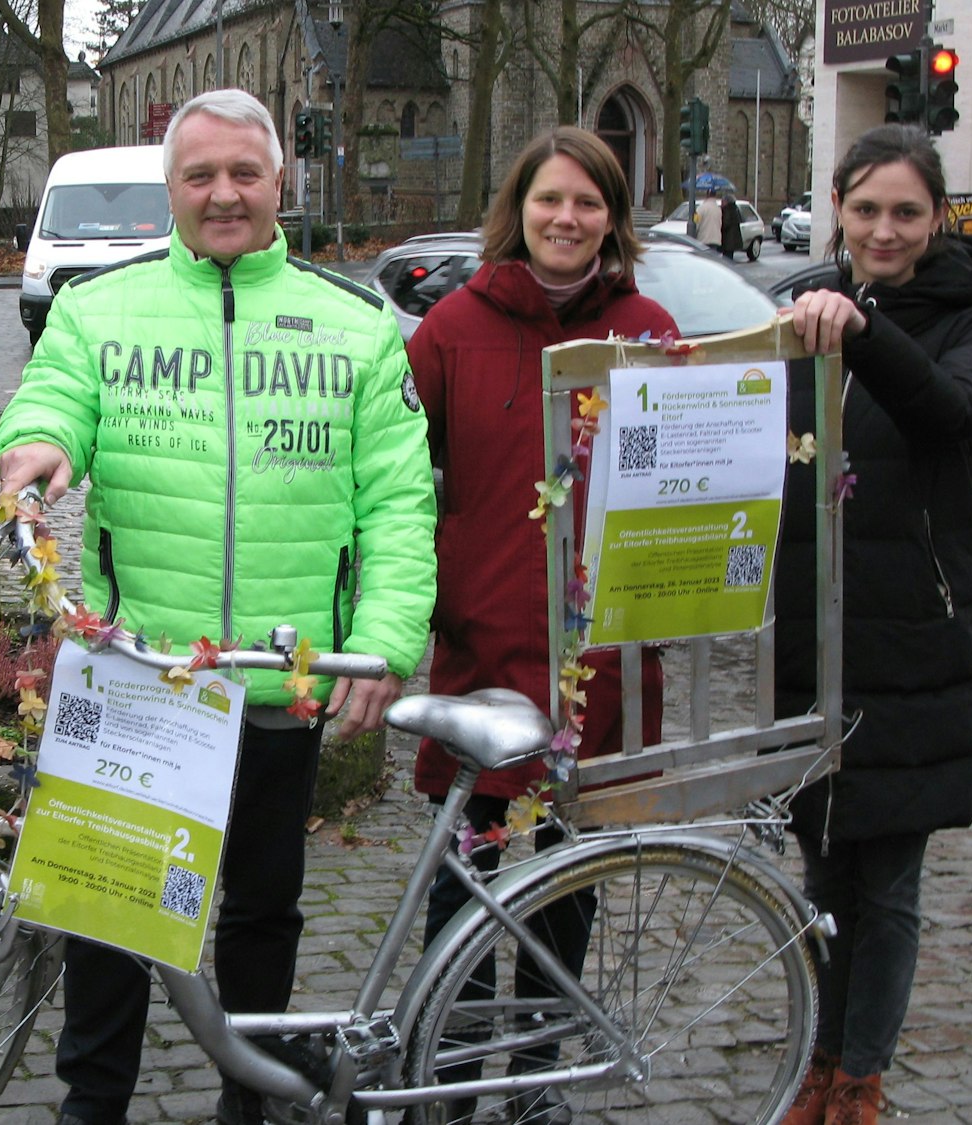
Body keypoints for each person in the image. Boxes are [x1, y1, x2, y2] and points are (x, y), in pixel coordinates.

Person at [0, 88, 435, 1125]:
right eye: (199, 175)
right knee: (103, 910)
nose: (223, 193)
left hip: (280, 672)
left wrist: (380, 643)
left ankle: (248, 1104)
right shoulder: (98, 309)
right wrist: (39, 448)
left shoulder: (358, 324)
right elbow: (51, 398)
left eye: (243, 173)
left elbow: (400, 502)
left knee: (260, 913)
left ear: (279, 182)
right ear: (171, 189)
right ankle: (90, 1106)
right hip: (140, 669)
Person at [405, 124, 674, 1125]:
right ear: (517, 208)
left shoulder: (646, 328)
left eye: (588, 203)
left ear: (612, 218)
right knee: (462, 878)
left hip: (597, 664)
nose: (567, 219)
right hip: (482, 655)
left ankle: (536, 1077)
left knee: (568, 881)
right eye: (550, 199)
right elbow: (394, 476)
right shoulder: (452, 328)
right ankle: (450, 1073)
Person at [773, 125, 972, 1125]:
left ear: (932, 220)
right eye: (864, 208)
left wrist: (866, 333)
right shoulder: (795, 310)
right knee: (822, 871)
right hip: (807, 634)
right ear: (836, 205)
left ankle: (860, 1079)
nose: (881, 228)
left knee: (889, 880)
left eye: (904, 211)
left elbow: (951, 416)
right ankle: (819, 1064)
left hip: (911, 636)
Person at [720, 186, 744, 258]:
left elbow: (726, 223)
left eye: (722, 201)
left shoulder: (727, 210)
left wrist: (720, 227)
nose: (721, 203)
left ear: (726, 202)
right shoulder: (735, 209)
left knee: (726, 258)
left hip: (728, 239)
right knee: (730, 256)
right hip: (733, 239)